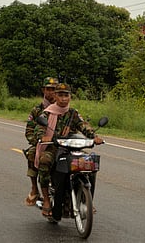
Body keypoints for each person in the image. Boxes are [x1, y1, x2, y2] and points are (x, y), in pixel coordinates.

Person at [34, 83, 103, 221]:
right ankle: (46, 198)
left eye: (66, 95)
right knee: (45, 161)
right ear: (55, 96)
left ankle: (86, 200)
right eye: (60, 95)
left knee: (89, 163)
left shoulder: (73, 113)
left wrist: (93, 137)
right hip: (53, 147)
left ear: (70, 97)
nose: (64, 98)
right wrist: (43, 136)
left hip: (72, 147)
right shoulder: (47, 113)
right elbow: (39, 129)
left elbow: (84, 126)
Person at [23, 77, 58, 206]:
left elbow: (79, 125)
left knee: (85, 160)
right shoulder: (38, 110)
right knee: (32, 154)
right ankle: (34, 188)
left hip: (62, 144)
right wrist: (38, 141)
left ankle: (84, 198)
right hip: (43, 145)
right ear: (43, 90)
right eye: (49, 89)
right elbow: (29, 130)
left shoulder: (66, 109)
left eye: (54, 89)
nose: (52, 92)